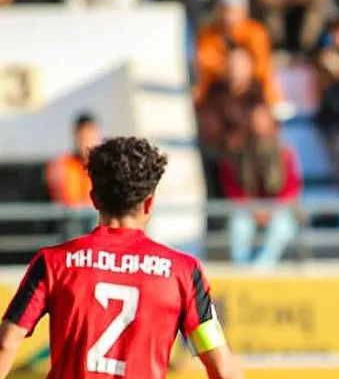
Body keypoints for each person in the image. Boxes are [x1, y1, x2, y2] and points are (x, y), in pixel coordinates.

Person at [0, 137, 242, 379]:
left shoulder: (53, 263)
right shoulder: (183, 273)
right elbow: (223, 369)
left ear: (93, 198)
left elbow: (6, 343)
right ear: (149, 204)